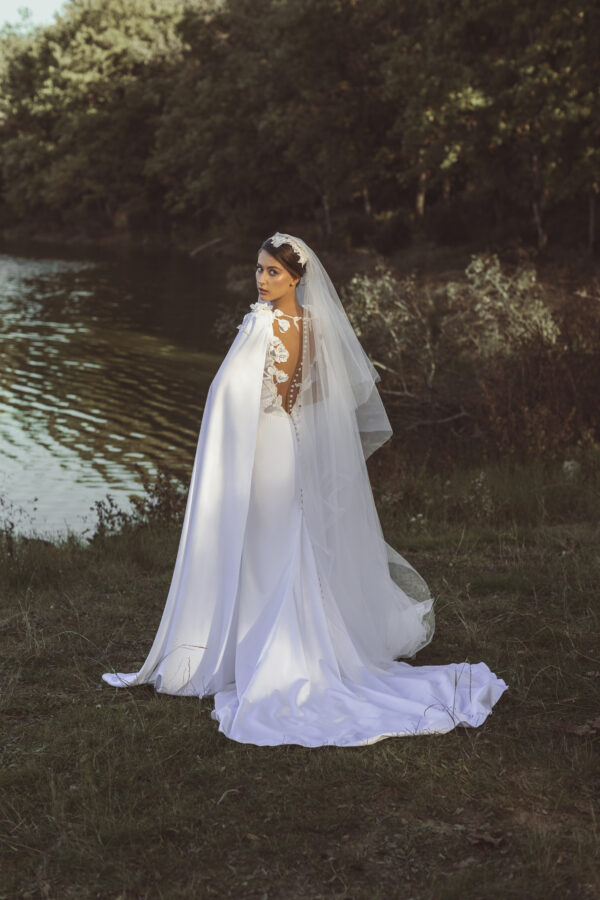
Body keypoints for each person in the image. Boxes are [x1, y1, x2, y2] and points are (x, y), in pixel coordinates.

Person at [103, 232, 507, 747]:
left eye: (272, 271)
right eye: (258, 269)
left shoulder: (259, 323)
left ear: (296, 277)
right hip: (290, 446)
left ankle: (256, 650)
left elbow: (225, 392)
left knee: (260, 547)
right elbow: (319, 392)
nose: (262, 279)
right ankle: (298, 641)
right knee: (287, 544)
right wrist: (286, 407)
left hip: (263, 448)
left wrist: (241, 432)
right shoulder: (314, 326)